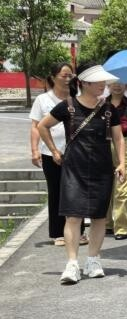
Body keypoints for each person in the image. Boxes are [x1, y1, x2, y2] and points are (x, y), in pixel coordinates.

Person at [37, 63, 124, 284]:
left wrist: (122, 163)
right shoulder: (68, 106)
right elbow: (42, 126)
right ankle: (72, 263)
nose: (103, 85)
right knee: (73, 216)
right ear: (84, 83)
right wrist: (54, 151)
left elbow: (118, 138)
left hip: (102, 169)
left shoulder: (108, 109)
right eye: (99, 82)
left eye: (104, 81)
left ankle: (93, 259)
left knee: (99, 217)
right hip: (74, 168)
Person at [29, 62, 79, 246]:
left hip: (76, 152)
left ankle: (78, 232)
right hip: (50, 152)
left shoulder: (78, 97)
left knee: (76, 192)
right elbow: (35, 127)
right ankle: (58, 233)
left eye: (70, 75)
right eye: (64, 75)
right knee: (56, 191)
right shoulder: (43, 100)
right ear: (53, 77)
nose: (68, 79)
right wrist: (35, 150)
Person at [105, 82, 127, 240]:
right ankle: (106, 223)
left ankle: (122, 227)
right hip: (103, 146)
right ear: (107, 84)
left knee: (123, 187)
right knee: (105, 187)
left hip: (126, 145)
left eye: (121, 82)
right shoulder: (101, 104)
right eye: (113, 83)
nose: (117, 86)